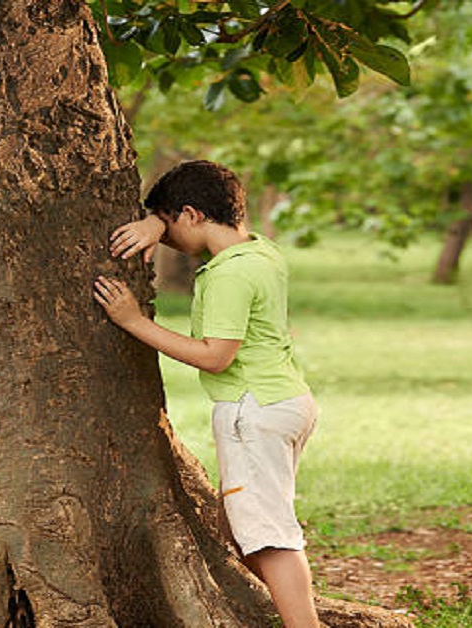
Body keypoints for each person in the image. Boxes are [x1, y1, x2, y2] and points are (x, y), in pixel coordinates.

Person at [92, 160, 320, 627]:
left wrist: (134, 323)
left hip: (251, 410)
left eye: (171, 226)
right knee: (240, 528)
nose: (167, 241)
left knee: (269, 537)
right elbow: (194, 213)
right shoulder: (261, 252)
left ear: (192, 214)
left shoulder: (227, 275)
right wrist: (159, 222)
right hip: (286, 402)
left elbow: (217, 356)